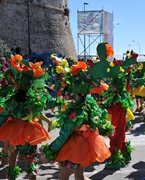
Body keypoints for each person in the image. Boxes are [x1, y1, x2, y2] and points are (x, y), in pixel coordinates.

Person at [40, 44, 114, 180]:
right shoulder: (90, 106)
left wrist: (51, 150)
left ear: (74, 91)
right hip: (87, 148)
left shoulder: (74, 112)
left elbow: (64, 135)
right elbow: (99, 126)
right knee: (79, 176)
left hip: (72, 149)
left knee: (64, 177)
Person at [0, 54, 59, 180]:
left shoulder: (12, 100)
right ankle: (31, 173)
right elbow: (48, 103)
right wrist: (58, 101)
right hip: (30, 130)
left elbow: (4, 114)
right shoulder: (35, 99)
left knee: (14, 153)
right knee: (29, 155)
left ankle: (12, 175)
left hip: (15, 130)